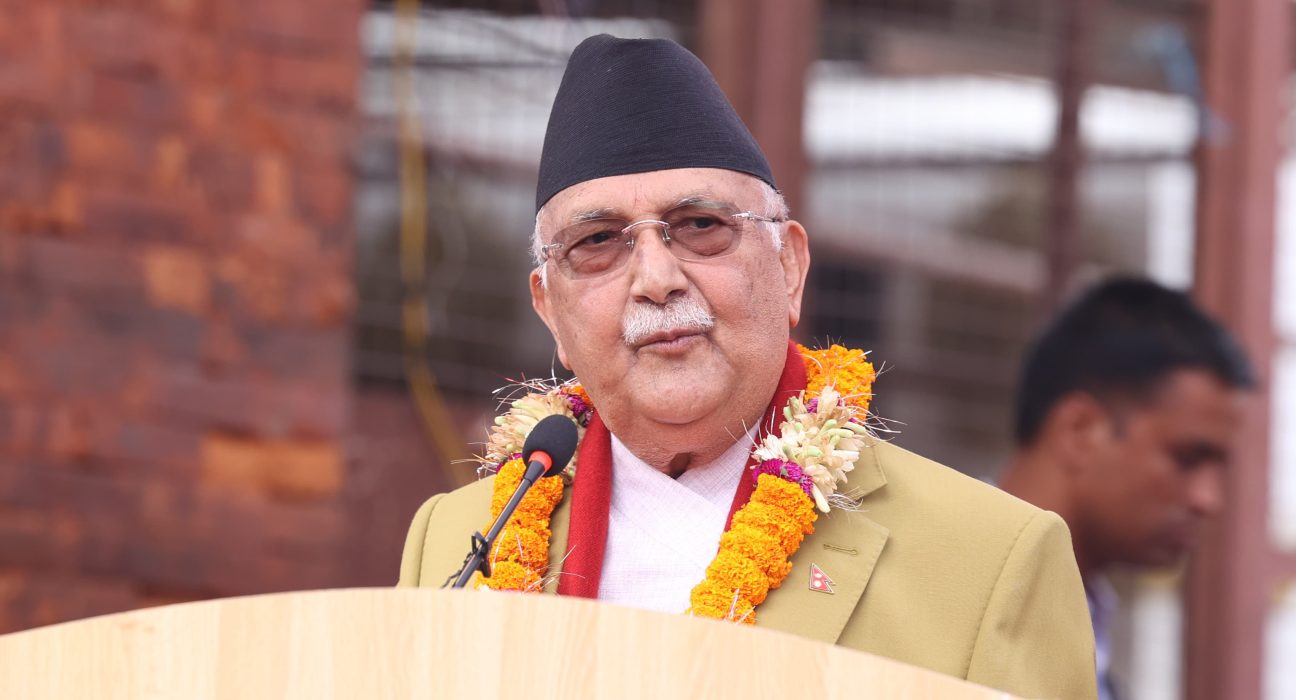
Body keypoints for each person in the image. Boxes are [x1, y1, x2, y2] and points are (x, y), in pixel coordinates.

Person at [399, 34, 1096, 699]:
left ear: (789, 267)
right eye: (599, 241)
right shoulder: (455, 543)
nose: (656, 280)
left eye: (701, 226)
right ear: (550, 309)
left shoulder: (989, 560)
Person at [998, 277, 1254, 700]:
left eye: (1218, 468)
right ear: (1080, 430)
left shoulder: (1083, 629)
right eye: (1188, 458)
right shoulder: (921, 592)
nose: (1208, 499)